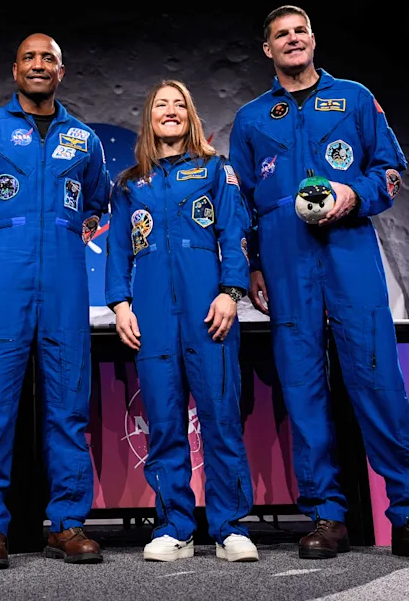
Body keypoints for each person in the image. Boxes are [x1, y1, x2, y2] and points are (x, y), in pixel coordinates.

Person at [228, 6, 409, 564]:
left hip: (349, 254)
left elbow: (391, 171)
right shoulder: (251, 118)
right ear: (268, 50)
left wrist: (354, 195)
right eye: (281, 35)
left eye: (300, 31)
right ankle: (326, 517)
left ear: (312, 39)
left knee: (378, 381)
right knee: (303, 388)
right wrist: (253, 264)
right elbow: (241, 205)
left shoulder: (354, 98)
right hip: (285, 262)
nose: (293, 39)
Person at [0, 33, 109, 569]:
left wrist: (61, 236)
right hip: (4, 278)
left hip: (65, 279)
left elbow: (98, 202)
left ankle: (67, 523)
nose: (39, 65)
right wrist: (0, 241)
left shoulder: (84, 139)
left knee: (68, 405)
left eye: (49, 59)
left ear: (62, 72)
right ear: (15, 69)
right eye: (30, 58)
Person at [105, 80, 259, 563]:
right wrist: (121, 305)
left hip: (207, 308)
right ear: (149, 118)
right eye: (161, 105)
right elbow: (117, 250)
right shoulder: (129, 183)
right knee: (165, 423)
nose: (170, 111)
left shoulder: (216, 169)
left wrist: (231, 292)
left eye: (179, 105)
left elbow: (234, 232)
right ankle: (175, 527)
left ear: (190, 116)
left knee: (220, 418)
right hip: (152, 312)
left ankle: (230, 528)